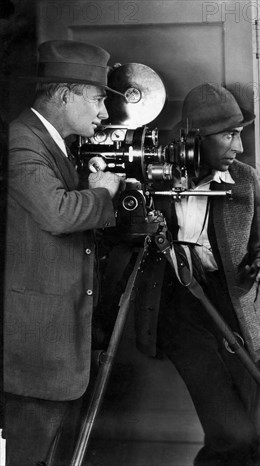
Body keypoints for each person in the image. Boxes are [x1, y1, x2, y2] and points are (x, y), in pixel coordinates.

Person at [134, 83, 260, 466]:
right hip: (180, 309)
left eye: (240, 134)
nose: (237, 146)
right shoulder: (155, 176)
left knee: (243, 438)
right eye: (228, 135)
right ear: (194, 139)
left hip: (232, 306)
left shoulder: (246, 180)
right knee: (233, 434)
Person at [3, 40, 123, 465]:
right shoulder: (20, 140)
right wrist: (102, 194)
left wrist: (87, 184)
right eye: (97, 100)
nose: (104, 113)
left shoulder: (49, 143)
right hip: (35, 347)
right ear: (64, 94)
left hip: (55, 344)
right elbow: (56, 213)